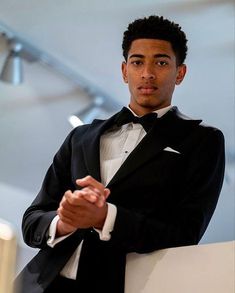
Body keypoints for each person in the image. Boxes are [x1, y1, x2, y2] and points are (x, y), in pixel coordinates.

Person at [15, 15, 225, 293]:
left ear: (180, 73)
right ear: (125, 71)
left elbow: (184, 235)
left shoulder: (203, 140)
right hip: (36, 285)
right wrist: (64, 222)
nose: (147, 73)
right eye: (138, 62)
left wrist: (105, 217)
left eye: (161, 62)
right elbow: (32, 221)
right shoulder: (81, 136)